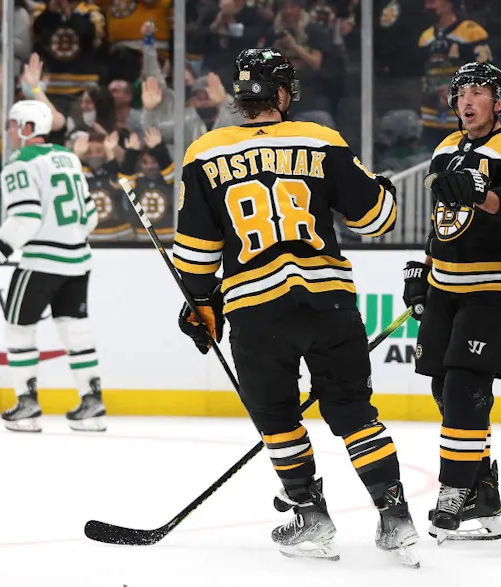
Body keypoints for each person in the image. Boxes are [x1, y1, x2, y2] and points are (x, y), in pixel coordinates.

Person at [173, 48, 419, 567]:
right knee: (353, 411)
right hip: (329, 301)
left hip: (257, 313)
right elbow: (376, 220)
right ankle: (395, 517)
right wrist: (386, 192)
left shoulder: (204, 153)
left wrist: (200, 304)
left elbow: (195, 259)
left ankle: (310, 515)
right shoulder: (320, 139)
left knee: (277, 417)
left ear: (241, 98)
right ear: (282, 94)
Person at [402, 61, 501, 543]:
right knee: (444, 387)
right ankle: (482, 496)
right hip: (447, 283)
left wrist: (484, 195)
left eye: (480, 92)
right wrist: (422, 271)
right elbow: (441, 221)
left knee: (467, 384)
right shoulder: (444, 149)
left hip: (499, 283)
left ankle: (453, 488)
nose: (467, 100)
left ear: (500, 102)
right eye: (461, 92)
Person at [0, 100, 105, 433]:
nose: (10, 131)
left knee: (18, 327)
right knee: (75, 329)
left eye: (14, 125)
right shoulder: (70, 158)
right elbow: (92, 216)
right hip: (78, 260)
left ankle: (27, 406)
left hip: (41, 262)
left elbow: (26, 217)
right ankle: (93, 403)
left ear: (29, 129)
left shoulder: (20, 162)